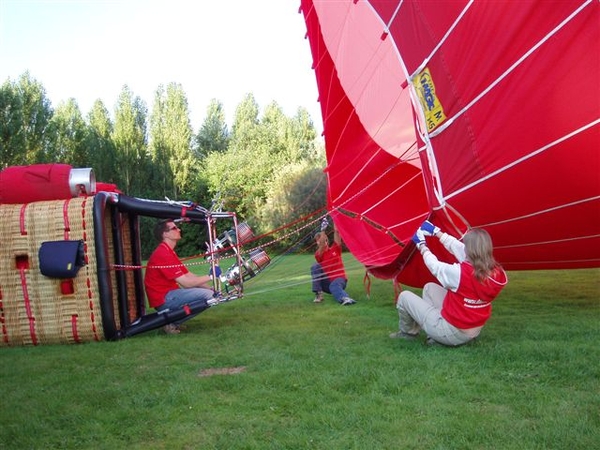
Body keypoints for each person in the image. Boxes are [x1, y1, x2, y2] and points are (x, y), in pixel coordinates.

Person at [390, 220, 508, 346]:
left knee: (404, 297)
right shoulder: (497, 271)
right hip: (472, 328)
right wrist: (436, 232)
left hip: (453, 332)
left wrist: (422, 245)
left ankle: (408, 333)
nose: (463, 247)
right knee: (430, 288)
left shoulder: (460, 273)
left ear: (470, 250)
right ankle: (434, 336)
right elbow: (459, 248)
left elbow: (435, 266)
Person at [144, 219, 220, 334]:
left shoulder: (169, 251)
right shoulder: (163, 253)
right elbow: (186, 283)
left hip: (170, 295)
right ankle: (172, 323)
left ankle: (174, 321)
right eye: (174, 228)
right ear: (165, 234)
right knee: (209, 297)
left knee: (210, 293)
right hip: (164, 299)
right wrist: (211, 276)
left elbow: (189, 275)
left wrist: (209, 287)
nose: (179, 229)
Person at [311, 222, 356, 306]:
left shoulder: (335, 249)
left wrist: (335, 218)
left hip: (339, 279)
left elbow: (337, 233)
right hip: (327, 283)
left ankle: (345, 298)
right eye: (317, 241)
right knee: (315, 266)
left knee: (334, 286)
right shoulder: (318, 254)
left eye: (320, 239)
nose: (320, 241)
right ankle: (318, 294)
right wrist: (323, 230)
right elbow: (321, 244)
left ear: (327, 240)